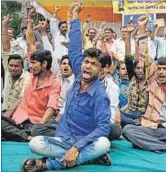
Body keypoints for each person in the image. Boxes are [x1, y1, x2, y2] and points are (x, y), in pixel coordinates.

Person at [21, 2, 111, 171]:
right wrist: (75, 17)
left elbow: (104, 128)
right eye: (86, 62)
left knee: (104, 143)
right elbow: (75, 48)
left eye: (94, 64)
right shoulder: (78, 75)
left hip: (85, 141)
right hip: (64, 137)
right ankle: (89, 159)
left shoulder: (100, 95)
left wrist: (77, 148)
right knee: (35, 143)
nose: (88, 66)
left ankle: (49, 164)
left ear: (101, 70)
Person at [1, 50, 61, 142]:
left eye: (33, 63)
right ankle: (25, 136)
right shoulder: (32, 76)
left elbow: (51, 108)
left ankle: (17, 135)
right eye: (30, 63)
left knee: (36, 130)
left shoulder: (55, 82)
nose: (30, 66)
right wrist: (7, 116)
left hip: (35, 123)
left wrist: (41, 125)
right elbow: (21, 99)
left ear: (44, 64)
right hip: (18, 120)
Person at [31, 55, 75, 137]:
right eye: (64, 63)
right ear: (60, 65)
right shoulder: (55, 80)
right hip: (51, 114)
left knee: (36, 129)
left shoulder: (75, 83)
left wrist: (56, 118)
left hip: (65, 117)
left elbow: (68, 106)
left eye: (69, 64)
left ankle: (68, 136)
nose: (66, 66)